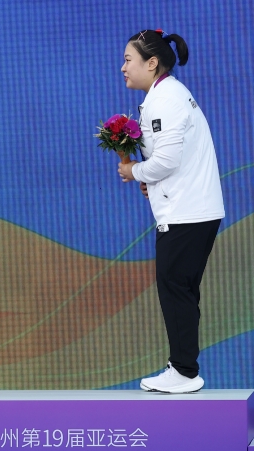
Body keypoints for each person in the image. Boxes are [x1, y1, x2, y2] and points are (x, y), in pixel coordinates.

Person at [117, 29, 224, 393]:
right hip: (192, 209)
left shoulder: (166, 100)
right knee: (180, 288)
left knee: (174, 287)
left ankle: (184, 371)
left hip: (188, 213)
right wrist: (152, 179)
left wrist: (134, 171)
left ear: (152, 62)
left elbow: (166, 160)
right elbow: (171, 161)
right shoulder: (167, 94)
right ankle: (184, 368)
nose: (123, 68)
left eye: (129, 60)